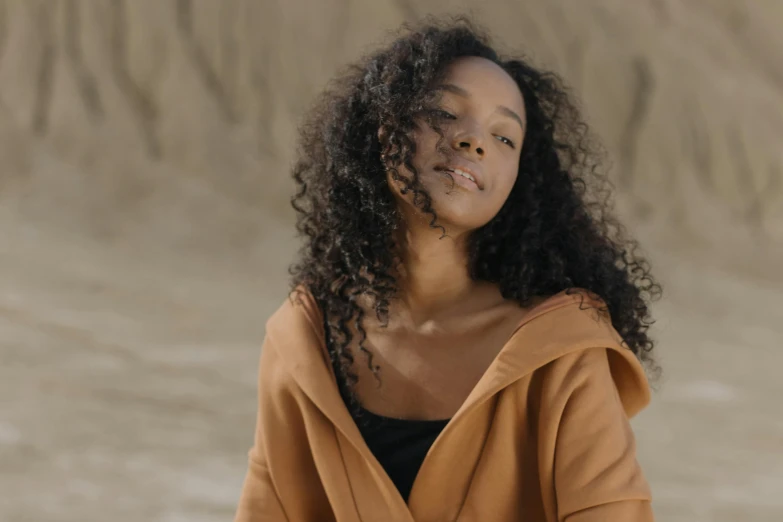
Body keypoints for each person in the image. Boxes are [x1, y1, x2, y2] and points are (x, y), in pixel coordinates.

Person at [235, 17, 661, 522]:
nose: (474, 140)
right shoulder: (301, 342)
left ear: (519, 183)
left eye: (505, 138)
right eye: (443, 111)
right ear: (386, 126)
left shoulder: (561, 349)